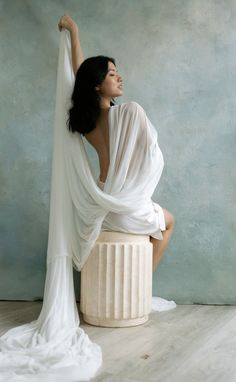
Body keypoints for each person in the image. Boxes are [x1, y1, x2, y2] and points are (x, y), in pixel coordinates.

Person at [58, 14, 175, 273]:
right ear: (98, 86)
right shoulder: (129, 113)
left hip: (101, 203)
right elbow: (152, 157)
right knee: (169, 221)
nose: (120, 77)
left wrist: (74, 32)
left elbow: (82, 75)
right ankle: (144, 282)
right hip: (125, 205)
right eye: (112, 74)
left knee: (148, 224)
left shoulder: (86, 124)